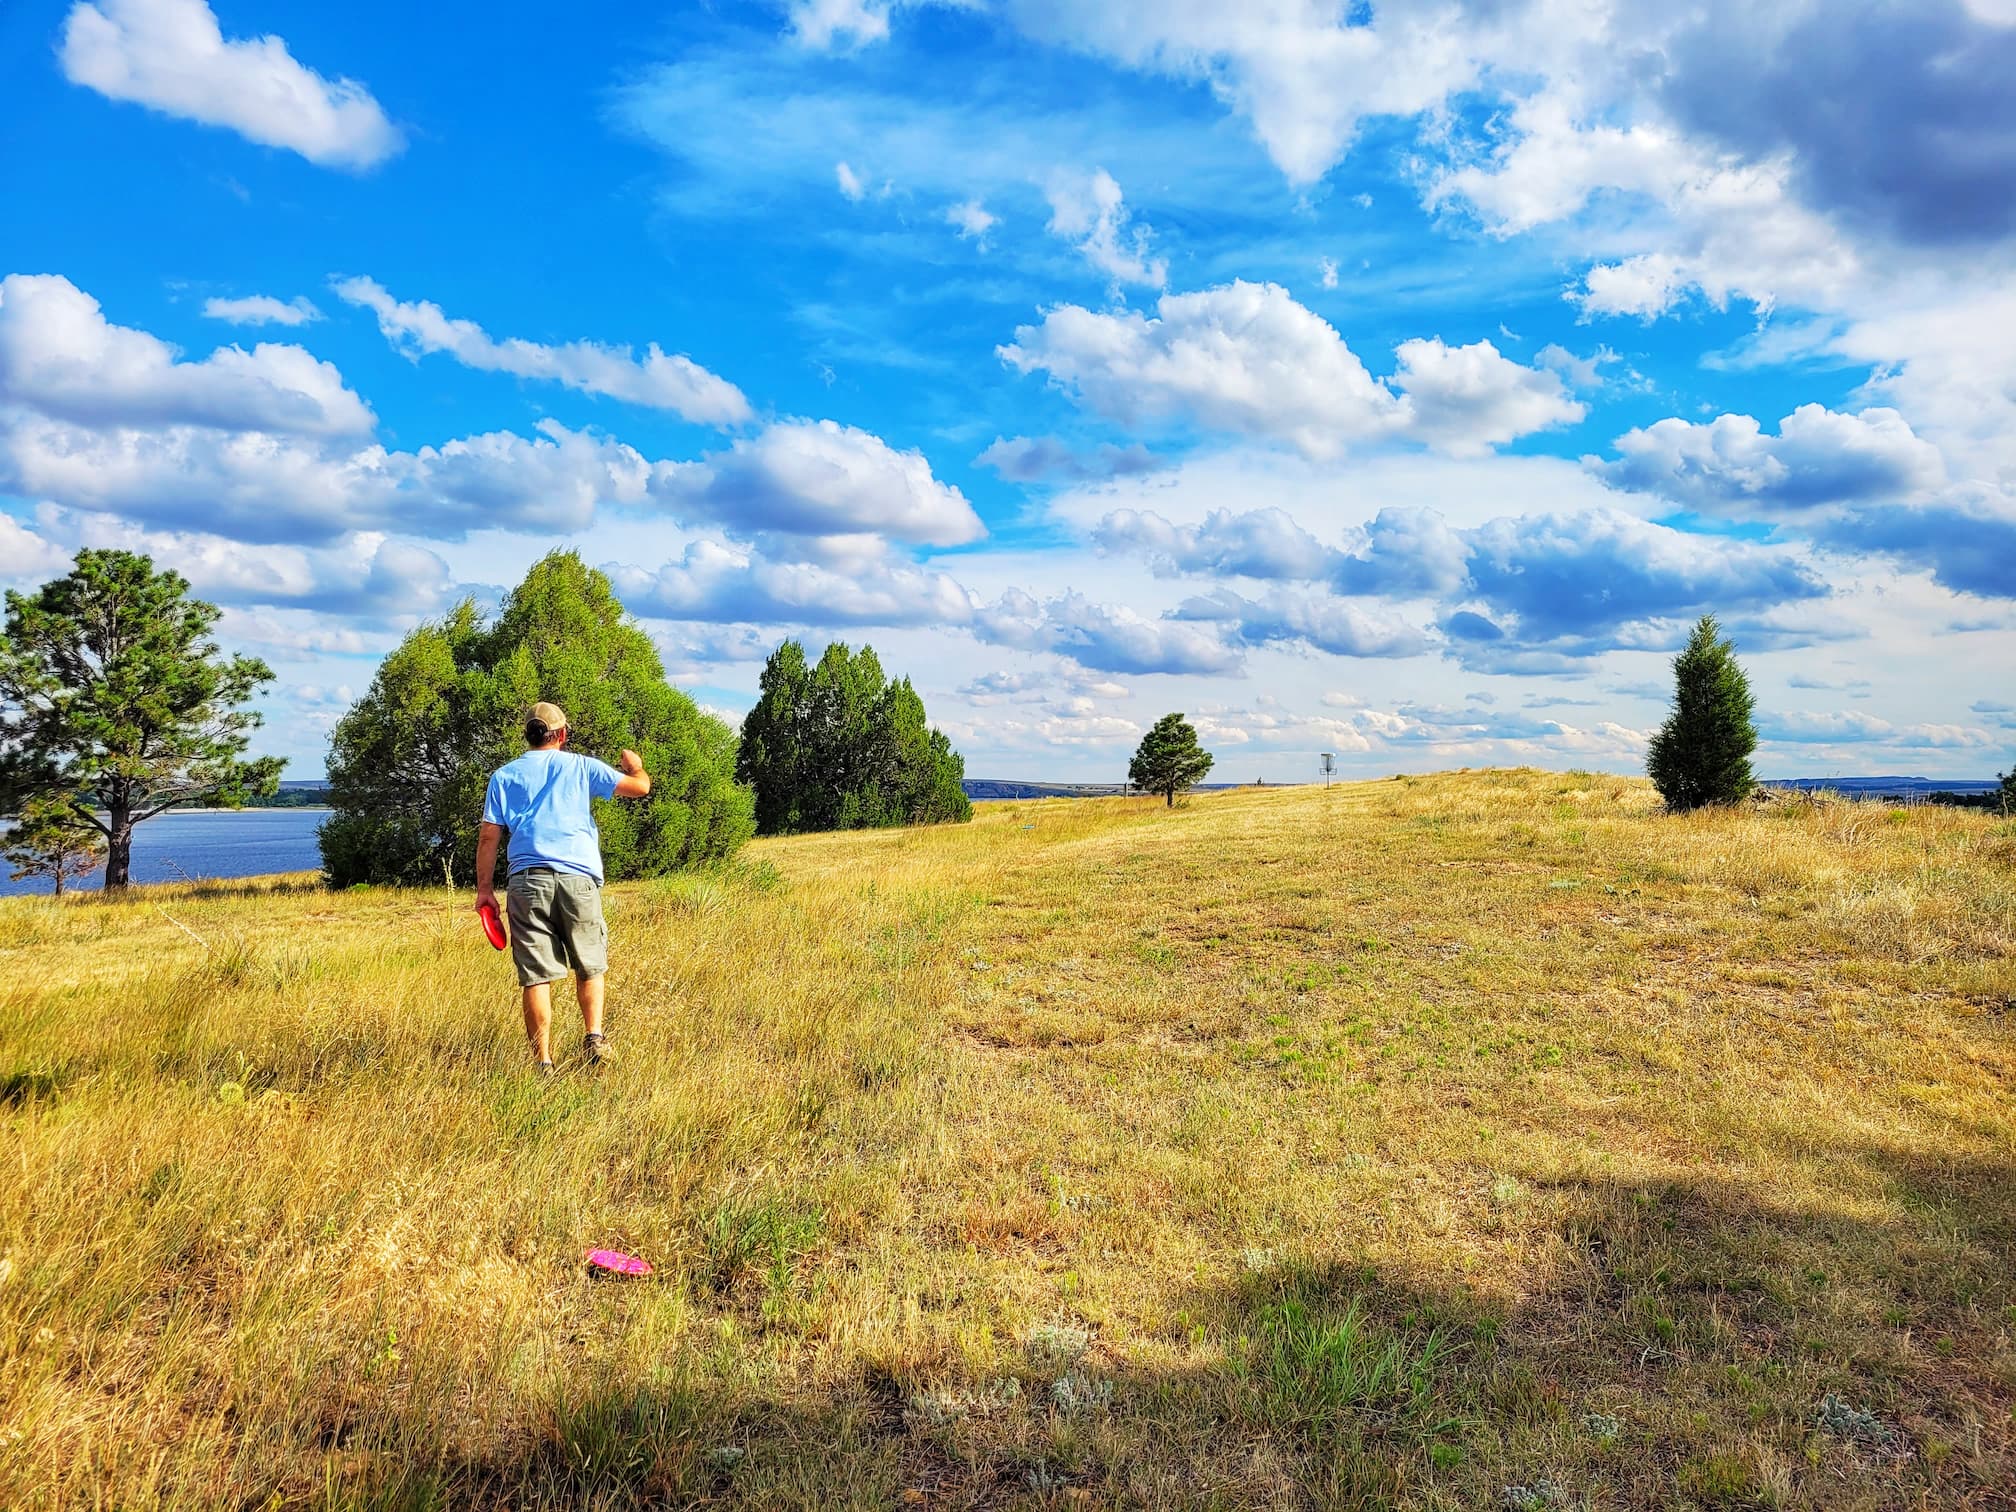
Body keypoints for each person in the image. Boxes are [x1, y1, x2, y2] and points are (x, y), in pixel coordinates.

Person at [474, 701, 651, 1073]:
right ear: (562, 735)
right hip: (578, 880)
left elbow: (489, 837)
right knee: (590, 964)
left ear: (529, 734)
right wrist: (634, 766)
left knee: (536, 976)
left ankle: (543, 1062)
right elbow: (639, 788)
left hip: (526, 883)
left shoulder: (503, 777)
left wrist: (485, 891)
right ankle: (594, 1038)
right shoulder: (581, 767)